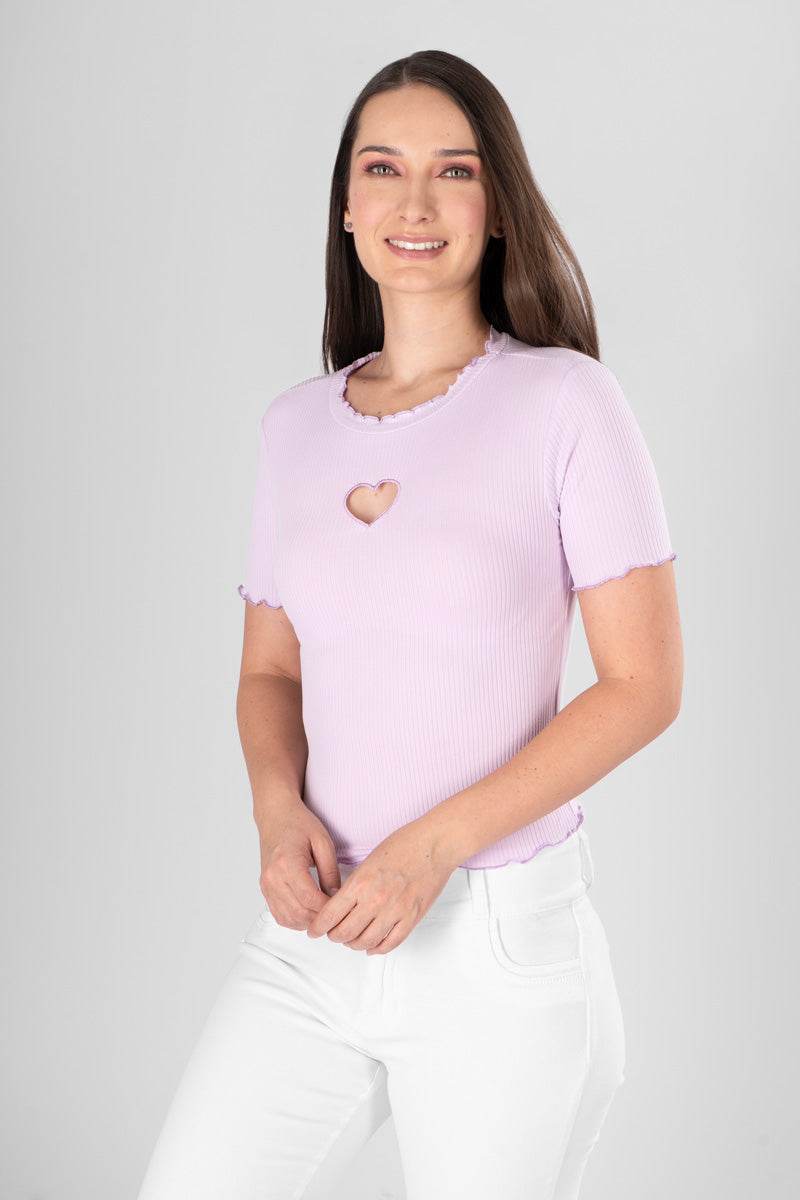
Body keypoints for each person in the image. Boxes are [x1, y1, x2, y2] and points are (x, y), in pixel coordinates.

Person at [137, 49, 682, 1200]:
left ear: (498, 205)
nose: (414, 203)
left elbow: (642, 687)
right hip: (315, 937)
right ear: (345, 206)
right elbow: (270, 671)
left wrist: (428, 850)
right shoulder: (294, 429)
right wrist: (275, 814)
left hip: (497, 946)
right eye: (382, 169)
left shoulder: (566, 402)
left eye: (454, 170)